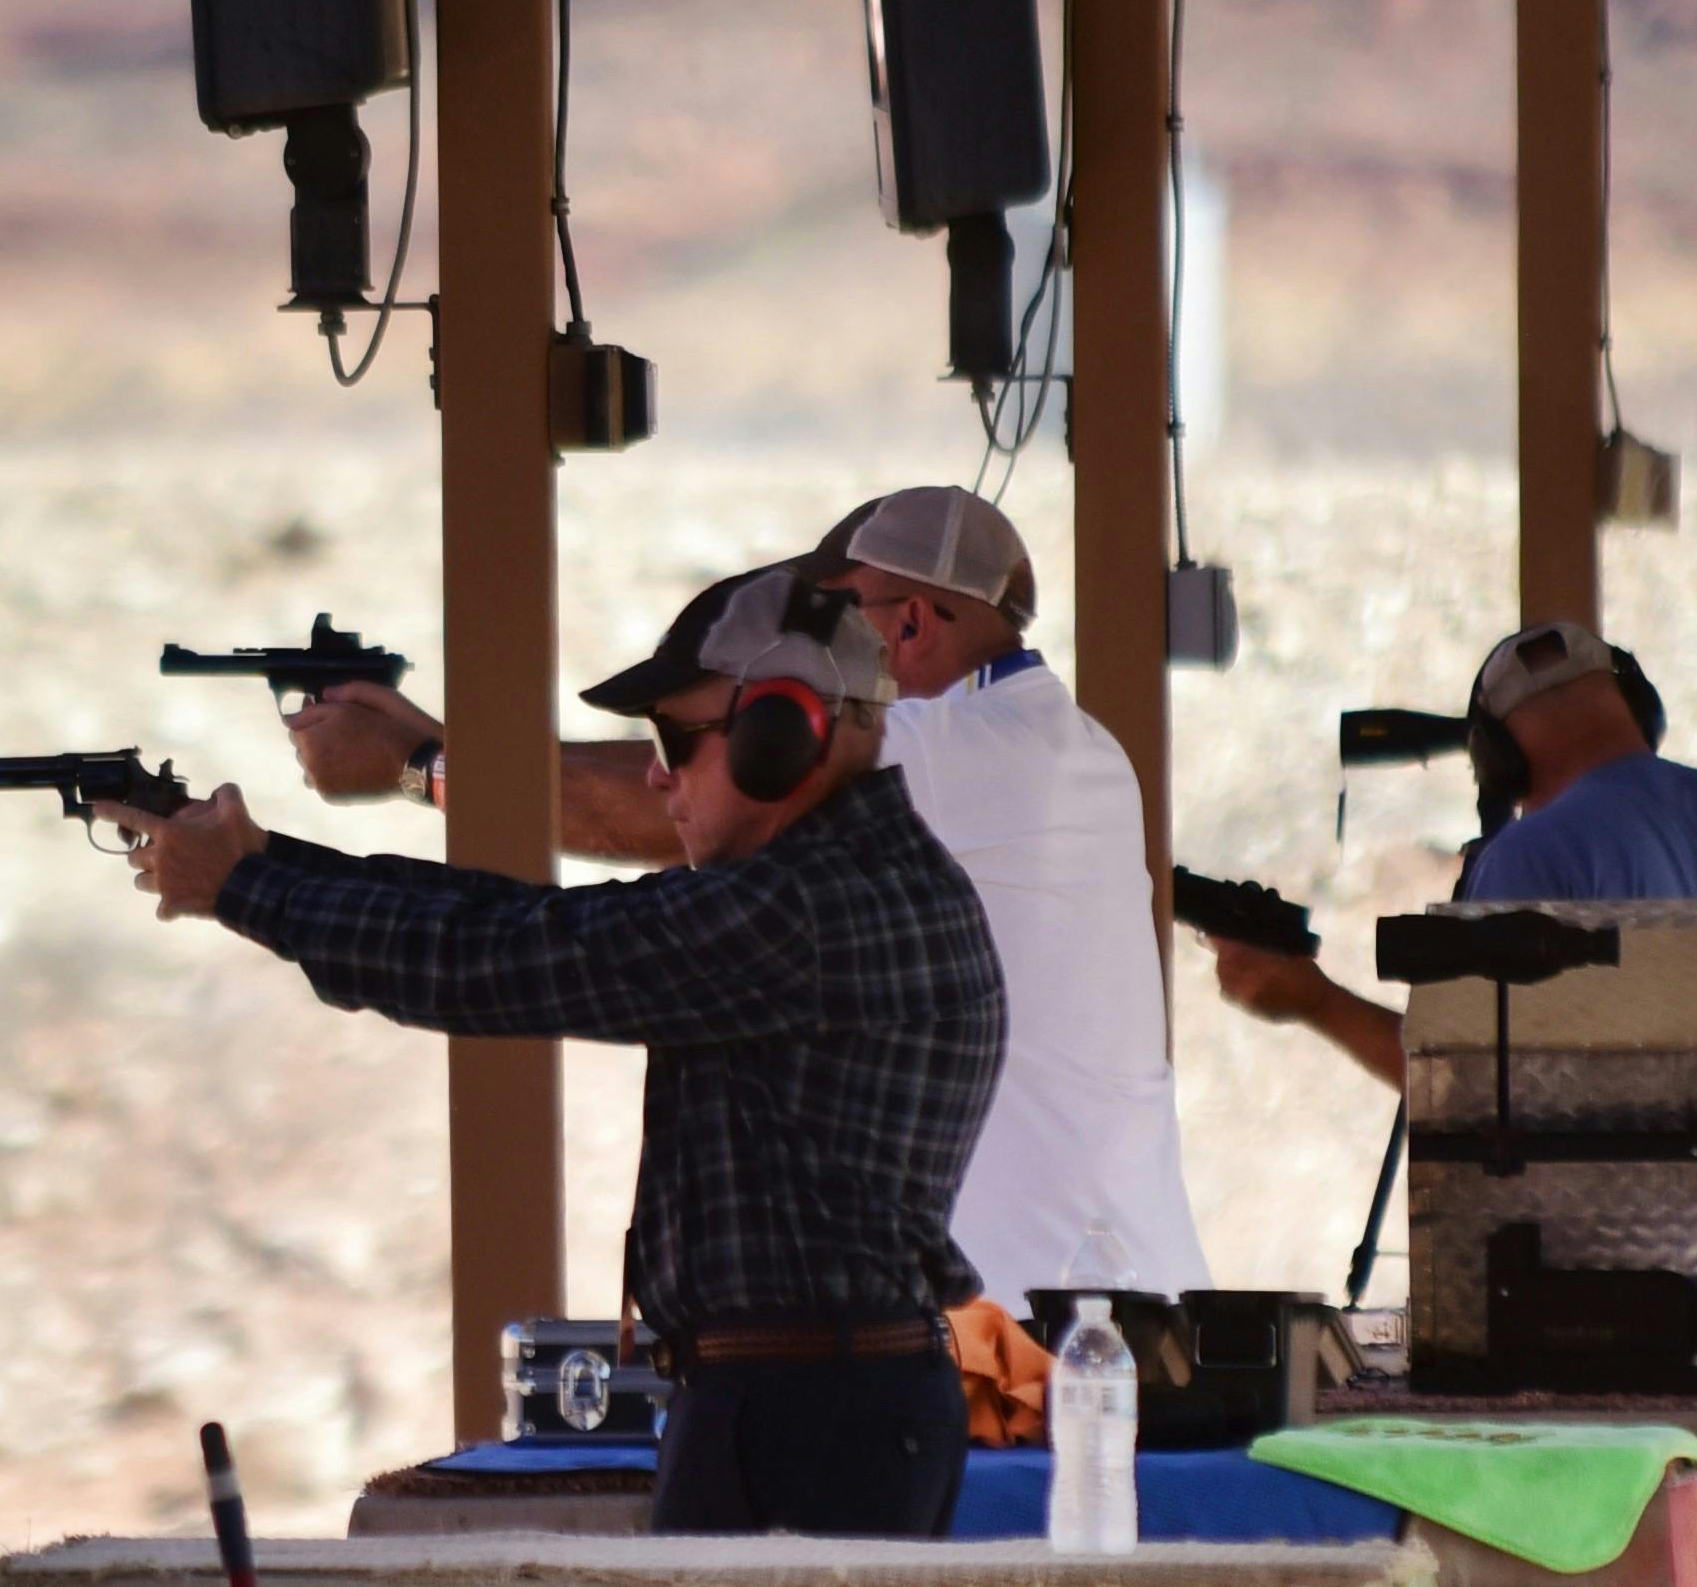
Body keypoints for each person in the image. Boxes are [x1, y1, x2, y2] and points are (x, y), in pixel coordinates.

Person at [123, 562, 1002, 1534]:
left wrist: (248, 891)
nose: (657, 772)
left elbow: (497, 959)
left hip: (802, 1409)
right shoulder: (830, 885)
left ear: (785, 733)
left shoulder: (806, 907)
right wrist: (262, 867)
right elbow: (515, 919)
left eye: (676, 737)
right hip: (811, 1398)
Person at [278, 486, 1204, 1313]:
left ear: (912, 625)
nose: (809, 662)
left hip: (1050, 1314)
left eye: (841, 621)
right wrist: (438, 747)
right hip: (1075, 1292)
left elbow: (658, 801)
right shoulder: (1044, 742)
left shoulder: (963, 743)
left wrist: (419, 767)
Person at [1207, 618, 1697, 1254]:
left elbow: (1465, 1089)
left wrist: (1313, 1001)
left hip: (1586, 1286)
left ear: (1498, 760)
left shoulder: (1529, 857)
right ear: (1637, 709)